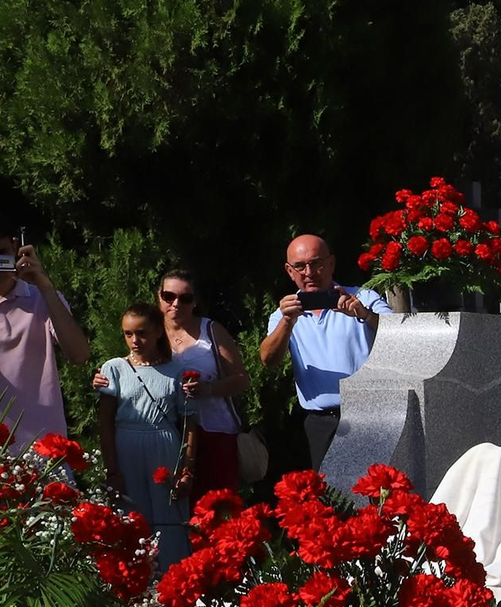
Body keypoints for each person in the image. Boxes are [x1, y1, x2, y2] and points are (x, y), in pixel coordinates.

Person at [0, 216, 90, 448]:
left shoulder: (44, 299)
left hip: (42, 448)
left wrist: (45, 286)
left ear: (16, 247)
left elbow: (79, 355)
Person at [259, 235, 389, 471]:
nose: (309, 272)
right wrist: (287, 322)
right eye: (299, 266)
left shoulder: (364, 298)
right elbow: (268, 360)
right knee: (332, 501)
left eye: (316, 263)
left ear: (331, 264)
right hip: (322, 423)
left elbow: (401, 336)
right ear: (289, 271)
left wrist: (365, 315)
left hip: (372, 415)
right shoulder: (283, 314)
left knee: (377, 495)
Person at [95, 304, 200, 568]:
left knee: (169, 514)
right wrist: (111, 470)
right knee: (131, 515)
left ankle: (173, 579)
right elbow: (105, 421)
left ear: (157, 332)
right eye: (128, 334)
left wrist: (187, 470)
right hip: (126, 444)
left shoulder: (177, 372)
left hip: (163, 445)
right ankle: (135, 583)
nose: (134, 341)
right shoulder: (114, 368)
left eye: (141, 333)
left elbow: (189, 423)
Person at [154, 269, 247, 496]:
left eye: (185, 298)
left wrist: (209, 389)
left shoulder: (211, 331)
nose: (175, 304)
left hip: (215, 432)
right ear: (159, 296)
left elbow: (242, 379)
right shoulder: (150, 332)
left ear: (195, 302)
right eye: (169, 296)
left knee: (217, 506)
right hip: (167, 433)